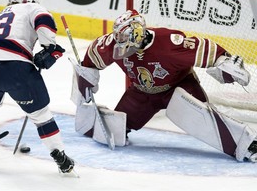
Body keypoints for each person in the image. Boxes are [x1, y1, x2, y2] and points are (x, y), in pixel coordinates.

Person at [73, 9, 257, 162]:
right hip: (141, 93)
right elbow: (92, 57)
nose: (120, 44)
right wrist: (85, 77)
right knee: (113, 128)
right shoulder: (114, 44)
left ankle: (248, 144)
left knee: (205, 120)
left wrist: (226, 62)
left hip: (180, 87)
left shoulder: (169, 43)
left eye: (125, 39)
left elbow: (205, 48)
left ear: (138, 34)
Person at [0, 0, 74, 173]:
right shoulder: (33, 7)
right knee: (41, 115)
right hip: (15, 70)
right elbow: (44, 24)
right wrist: (50, 48)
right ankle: (61, 158)